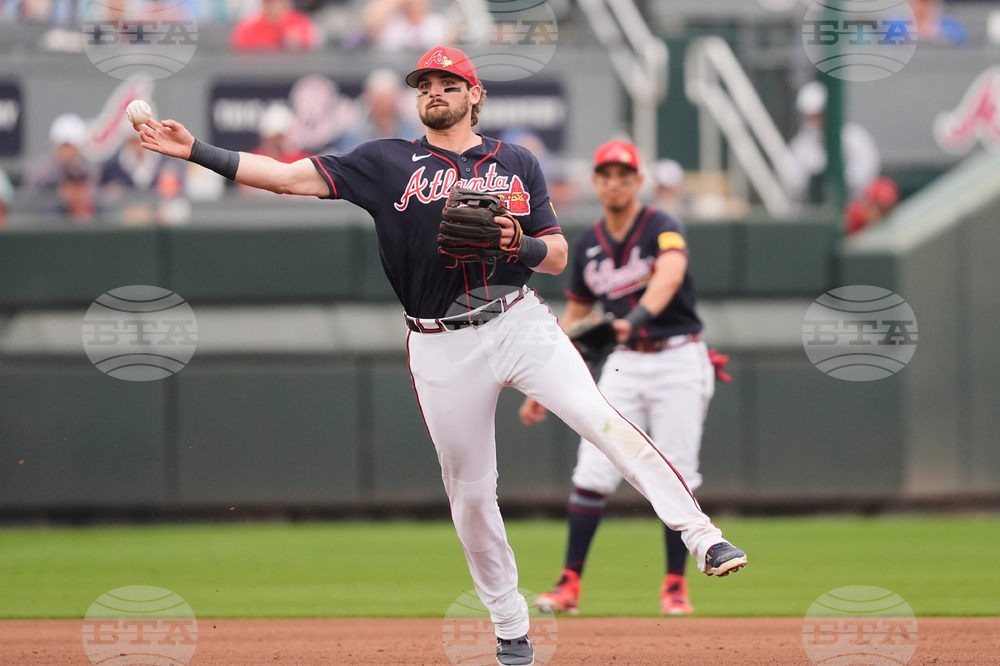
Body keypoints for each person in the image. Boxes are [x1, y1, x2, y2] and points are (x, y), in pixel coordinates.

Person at [134, 46, 747, 666]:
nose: (434, 91)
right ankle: (511, 627)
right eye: (425, 83)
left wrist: (517, 242)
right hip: (439, 341)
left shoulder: (516, 162)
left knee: (601, 419)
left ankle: (703, 537)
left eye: (448, 83)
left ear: (474, 94)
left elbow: (557, 256)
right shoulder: (385, 162)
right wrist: (197, 151)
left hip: (517, 318)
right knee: (471, 495)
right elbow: (287, 176)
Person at [519, 140, 728, 617]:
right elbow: (576, 314)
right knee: (592, 471)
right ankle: (569, 583)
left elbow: (670, 274)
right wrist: (544, 377)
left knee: (678, 469)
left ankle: (675, 585)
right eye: (606, 175)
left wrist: (632, 319)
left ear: (638, 181)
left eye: (624, 175)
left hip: (678, 356)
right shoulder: (588, 243)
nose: (614, 183)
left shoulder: (661, 225)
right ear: (596, 182)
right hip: (625, 362)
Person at [780, 81, 881, 210]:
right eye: (810, 117)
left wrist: (838, 182)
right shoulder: (800, 145)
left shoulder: (855, 138)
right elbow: (793, 180)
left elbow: (866, 175)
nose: (815, 121)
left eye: (818, 115)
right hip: (812, 210)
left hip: (851, 207)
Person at [339, 69, 423, 148]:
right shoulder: (354, 134)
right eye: (378, 100)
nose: (382, 105)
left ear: (397, 99)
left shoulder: (413, 133)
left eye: (387, 99)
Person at [24, 113, 96, 193]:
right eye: (65, 146)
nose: (69, 151)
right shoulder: (41, 174)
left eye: (72, 146)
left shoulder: (88, 172)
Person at [230, 0, 321, 51]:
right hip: (259, 74)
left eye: (278, 3)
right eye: (269, 3)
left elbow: (311, 51)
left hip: (294, 72)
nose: (274, 7)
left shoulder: (302, 23)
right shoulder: (246, 29)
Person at [362, 0, 446, 52]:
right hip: (393, 68)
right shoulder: (393, 24)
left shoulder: (437, 23)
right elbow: (371, 24)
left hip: (427, 70)